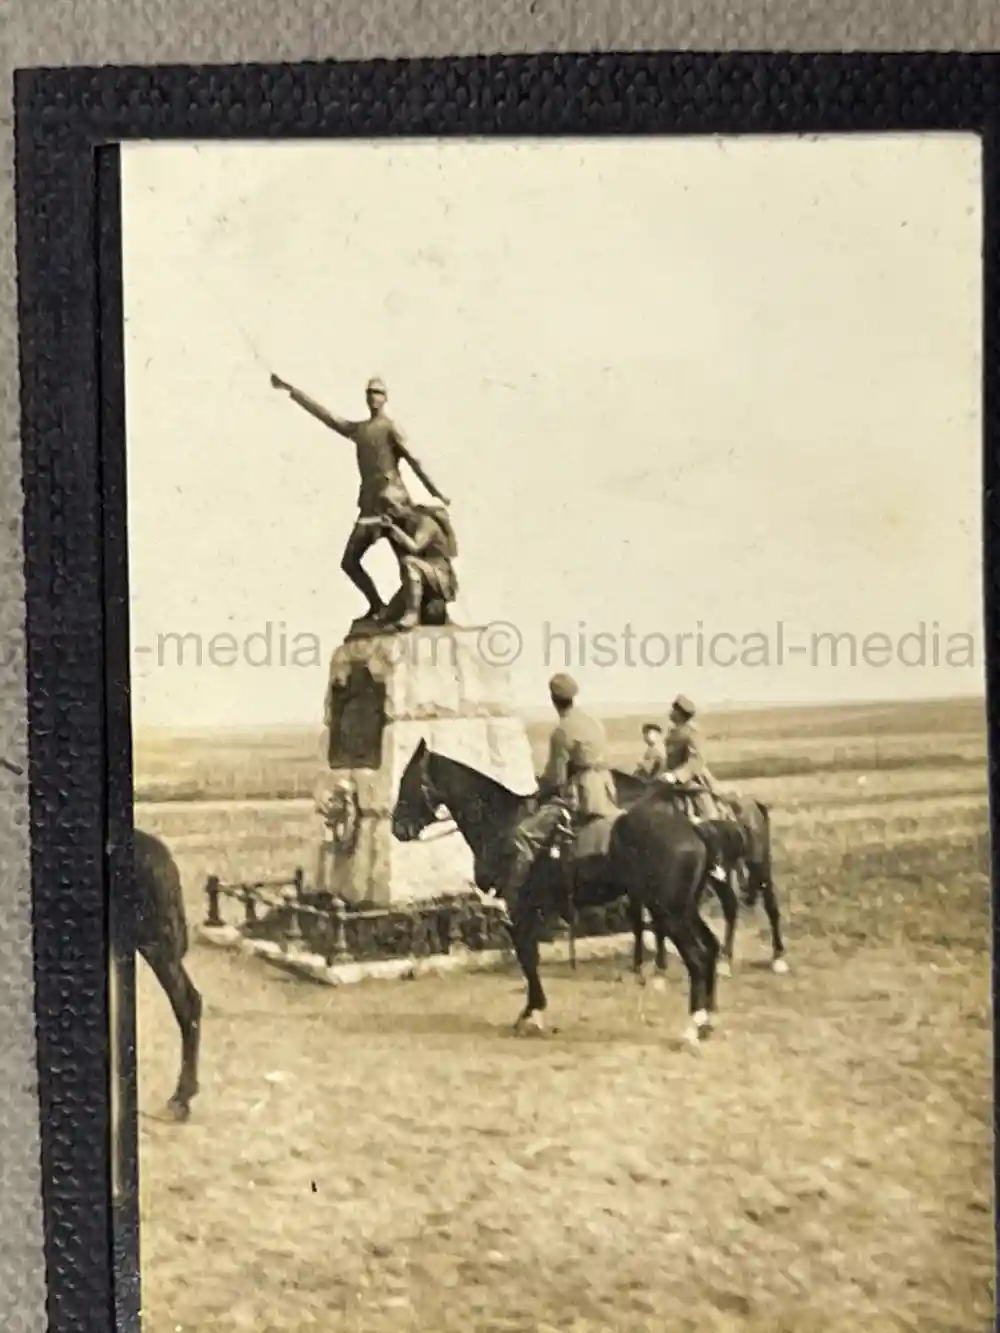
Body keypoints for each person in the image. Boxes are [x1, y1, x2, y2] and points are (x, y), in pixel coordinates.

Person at [270, 372, 450, 621]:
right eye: (369, 393)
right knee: (350, 561)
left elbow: (414, 459)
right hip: (370, 506)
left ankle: (414, 612)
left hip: (395, 504)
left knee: (408, 561)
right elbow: (330, 418)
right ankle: (377, 605)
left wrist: (436, 491)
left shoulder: (390, 427)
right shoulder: (361, 429)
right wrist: (292, 391)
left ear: (385, 398)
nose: (373, 397)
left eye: (378, 393)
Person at [495, 673, 619, 911]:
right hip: (606, 788)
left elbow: (556, 778)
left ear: (553, 700)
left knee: (523, 834)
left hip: (582, 795)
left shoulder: (562, 731)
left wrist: (540, 791)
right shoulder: (593, 721)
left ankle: (515, 899)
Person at [658, 694, 729, 881]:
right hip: (673, 786)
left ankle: (717, 865)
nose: (670, 712)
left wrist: (676, 775)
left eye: (674, 709)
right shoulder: (672, 733)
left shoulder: (692, 733)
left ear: (680, 713)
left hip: (693, 784)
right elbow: (670, 760)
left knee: (708, 822)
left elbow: (696, 760)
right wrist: (664, 774)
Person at [376, 495, 459, 629]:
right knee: (388, 615)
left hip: (439, 574)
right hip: (427, 571)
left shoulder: (427, 522)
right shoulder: (413, 522)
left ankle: (412, 614)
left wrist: (393, 528)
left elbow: (415, 546)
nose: (390, 512)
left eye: (392, 507)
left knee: (409, 562)